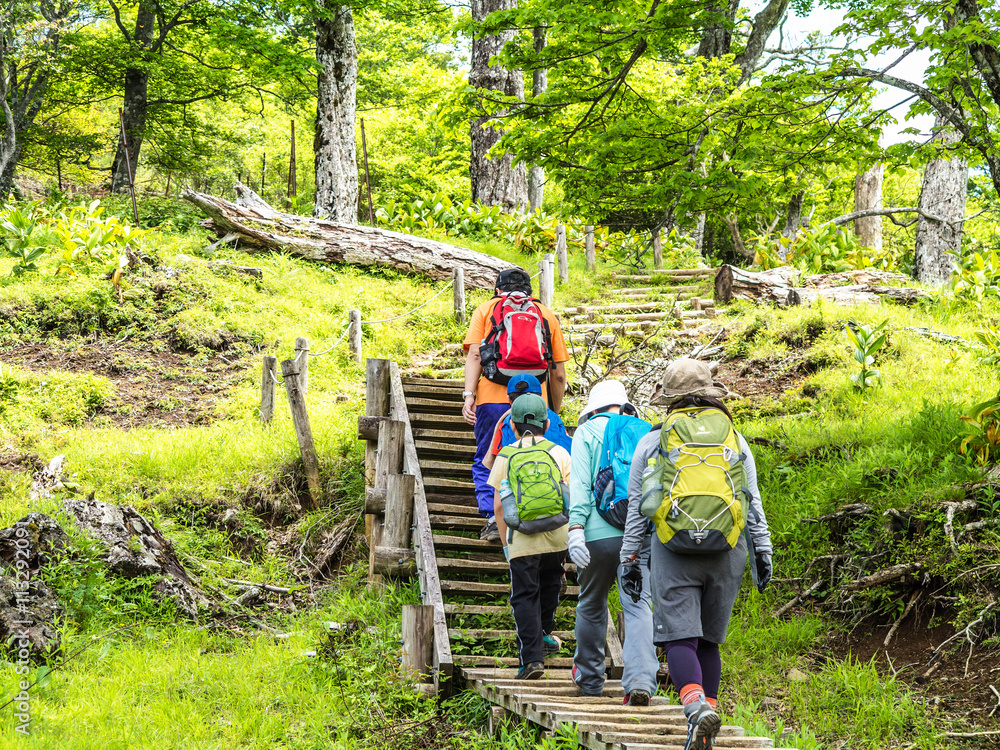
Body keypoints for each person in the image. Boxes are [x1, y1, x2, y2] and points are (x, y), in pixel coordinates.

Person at [619, 358, 773, 749]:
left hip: (673, 549)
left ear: (668, 399)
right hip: (728, 548)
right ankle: (707, 720)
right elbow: (752, 502)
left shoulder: (654, 440)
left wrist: (630, 559)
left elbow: (639, 506)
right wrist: (763, 549)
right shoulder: (733, 438)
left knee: (678, 638)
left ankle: (697, 710)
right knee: (708, 641)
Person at [567, 380, 659, 705]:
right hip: (637, 534)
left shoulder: (586, 432)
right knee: (637, 605)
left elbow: (578, 482)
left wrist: (576, 526)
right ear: (624, 406)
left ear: (592, 408)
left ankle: (591, 680)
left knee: (591, 603)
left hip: (596, 536)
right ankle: (641, 682)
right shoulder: (644, 432)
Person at [463, 268, 569, 542]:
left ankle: (491, 518)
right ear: (530, 292)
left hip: (492, 401)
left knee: (490, 457)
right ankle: (545, 514)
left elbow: (475, 355)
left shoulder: (486, 310)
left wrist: (469, 395)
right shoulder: (545, 314)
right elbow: (557, 372)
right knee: (543, 457)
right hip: (537, 402)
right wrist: (552, 409)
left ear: (498, 289)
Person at [488, 393, 571, 680]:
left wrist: (505, 545)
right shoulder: (559, 453)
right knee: (550, 586)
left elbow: (499, 506)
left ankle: (531, 660)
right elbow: (571, 498)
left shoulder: (506, 455)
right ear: (546, 424)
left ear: (511, 425)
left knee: (524, 596)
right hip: (557, 536)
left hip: (522, 539)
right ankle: (545, 634)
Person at [482, 373, 573, 472]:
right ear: (542, 397)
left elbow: (497, 462)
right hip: (555, 480)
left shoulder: (507, 420)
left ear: (508, 399)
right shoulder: (553, 418)